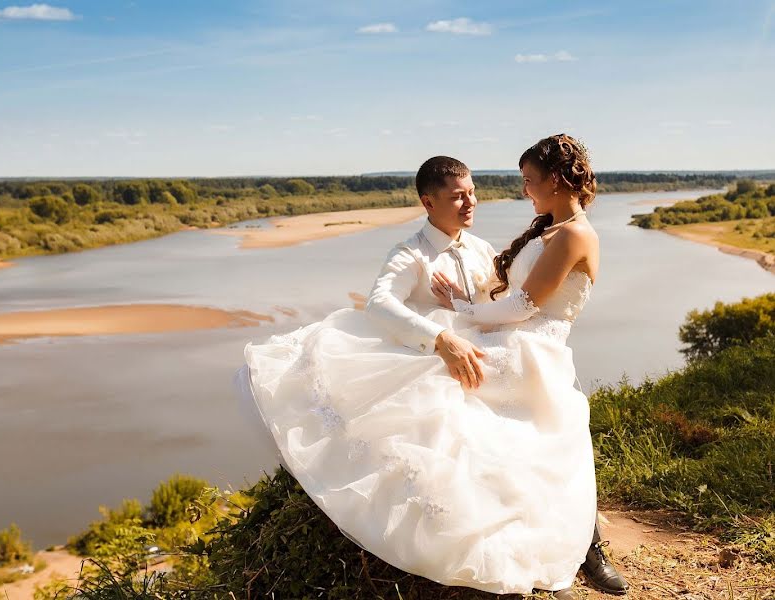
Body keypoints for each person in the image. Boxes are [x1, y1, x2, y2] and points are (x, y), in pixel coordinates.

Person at [235, 136, 628, 597]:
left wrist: (468, 312)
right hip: (456, 350)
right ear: (429, 202)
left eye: (473, 192)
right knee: (451, 417)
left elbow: (518, 302)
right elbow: (379, 304)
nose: (471, 203)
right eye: (458, 195)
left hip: (521, 347)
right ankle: (494, 544)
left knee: (540, 422)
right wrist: (440, 338)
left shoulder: (486, 248)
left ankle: (577, 547)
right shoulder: (410, 253)